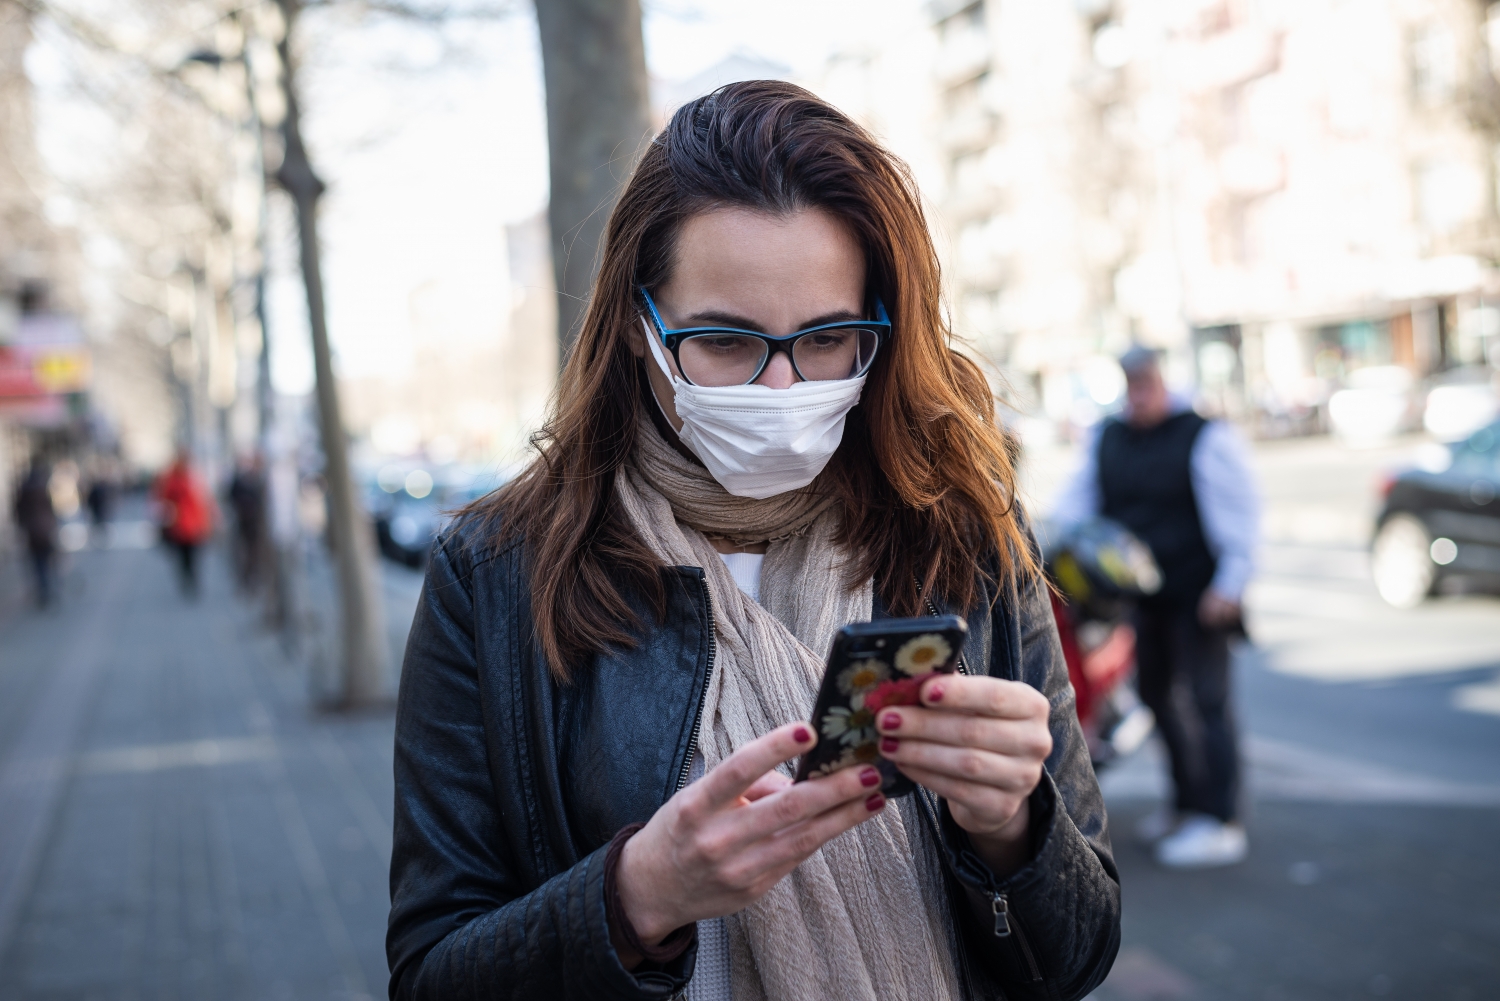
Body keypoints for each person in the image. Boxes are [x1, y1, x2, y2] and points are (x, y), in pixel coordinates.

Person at [387, 82, 1119, 1001]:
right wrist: (635, 896)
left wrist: (1014, 825)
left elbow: (1081, 952)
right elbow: (429, 974)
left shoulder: (962, 537)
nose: (782, 390)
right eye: (726, 342)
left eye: (825, 339)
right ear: (635, 327)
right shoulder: (495, 572)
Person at [1053, 345, 1260, 868]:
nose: (1139, 389)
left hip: (1200, 592)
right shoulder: (1109, 435)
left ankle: (1223, 819)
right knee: (1157, 696)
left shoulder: (1204, 435)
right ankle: (1187, 806)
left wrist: (1231, 585)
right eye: (1131, 379)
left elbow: (1240, 515)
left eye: (1147, 378)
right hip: (1142, 597)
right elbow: (1076, 507)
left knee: (1208, 701)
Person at [153, 449, 214, 598]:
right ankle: (187, 580)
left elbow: (205, 500)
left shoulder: (195, 477)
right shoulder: (172, 479)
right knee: (183, 557)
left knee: (194, 556)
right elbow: (162, 499)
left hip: (195, 525)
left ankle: (192, 580)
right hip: (179, 525)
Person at [13, 460, 58, 608]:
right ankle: (47, 588)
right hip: (45, 531)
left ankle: (43, 589)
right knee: (46, 561)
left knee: (38, 563)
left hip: (32, 532)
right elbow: (50, 510)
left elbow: (18, 513)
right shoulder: (42, 489)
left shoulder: (24, 490)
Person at [227, 452, 267, 592]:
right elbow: (231, 498)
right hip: (244, 522)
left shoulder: (257, 479)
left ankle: (253, 578)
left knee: (255, 553)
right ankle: (247, 579)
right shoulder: (240, 480)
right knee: (246, 552)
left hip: (256, 523)